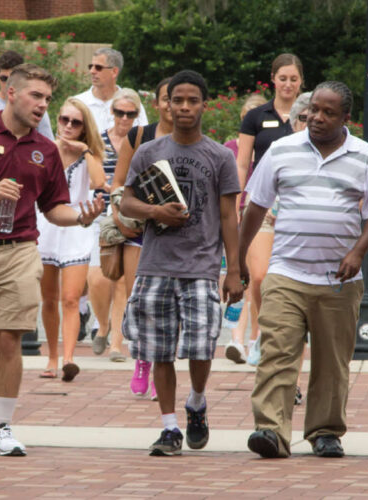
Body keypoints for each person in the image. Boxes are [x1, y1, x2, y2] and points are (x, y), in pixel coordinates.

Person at [0, 64, 104, 457]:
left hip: (21, 250)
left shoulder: (44, 150)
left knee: (9, 338)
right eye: (36, 96)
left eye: (47, 99)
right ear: (11, 93)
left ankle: (4, 426)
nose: (43, 105)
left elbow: (55, 209)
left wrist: (82, 215)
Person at [240, 82, 368, 460]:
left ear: (345, 118)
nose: (316, 117)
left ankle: (325, 431)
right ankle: (271, 430)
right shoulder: (282, 150)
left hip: (339, 281)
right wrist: (236, 260)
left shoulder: (365, 156)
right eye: (312, 110)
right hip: (286, 272)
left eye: (327, 112)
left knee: (332, 364)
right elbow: (255, 208)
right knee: (276, 353)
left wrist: (357, 252)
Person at [120, 70, 243, 456]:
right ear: (166, 105)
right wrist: (156, 210)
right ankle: (169, 427)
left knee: (202, 347)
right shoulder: (148, 152)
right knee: (158, 351)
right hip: (155, 265)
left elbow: (228, 216)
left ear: (205, 105)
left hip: (201, 267)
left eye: (193, 101)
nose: (185, 107)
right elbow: (126, 203)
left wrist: (234, 270)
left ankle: (197, 401)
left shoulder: (220, 156)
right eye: (178, 101)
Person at [232, 54, 304, 367]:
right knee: (259, 276)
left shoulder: (308, 114)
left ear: (301, 81)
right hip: (261, 201)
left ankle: (281, 340)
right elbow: (242, 161)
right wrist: (236, 201)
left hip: (297, 203)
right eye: (283, 78)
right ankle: (259, 333)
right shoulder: (256, 116)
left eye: (294, 79)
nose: (288, 84)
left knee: (288, 277)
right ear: (272, 79)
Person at [111, 77, 175, 398]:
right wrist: (120, 220)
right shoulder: (139, 136)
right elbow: (118, 183)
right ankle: (142, 360)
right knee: (140, 299)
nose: (172, 105)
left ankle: (159, 361)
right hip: (140, 231)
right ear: (158, 102)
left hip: (177, 235)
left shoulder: (193, 138)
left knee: (168, 305)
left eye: (178, 99)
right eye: (166, 98)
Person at [37, 98, 106, 381]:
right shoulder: (43, 149)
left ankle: (68, 358)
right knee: (49, 298)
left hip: (77, 226)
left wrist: (87, 151)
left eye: (75, 122)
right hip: (47, 224)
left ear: (84, 126)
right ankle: (52, 358)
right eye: (64, 119)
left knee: (71, 297)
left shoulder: (88, 153)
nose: (67, 126)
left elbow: (99, 180)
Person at [88, 88, 143, 361]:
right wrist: (110, 190)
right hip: (102, 212)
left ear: (137, 114)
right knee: (99, 279)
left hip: (130, 213)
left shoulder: (142, 141)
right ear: (112, 112)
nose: (124, 118)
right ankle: (103, 325)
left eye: (129, 113)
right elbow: (93, 177)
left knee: (123, 281)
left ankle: (117, 344)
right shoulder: (98, 140)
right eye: (119, 112)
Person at [222, 93, 266, 365]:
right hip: (239, 212)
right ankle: (236, 339)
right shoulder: (230, 147)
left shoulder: (267, 147)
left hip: (262, 213)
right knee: (241, 278)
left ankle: (255, 337)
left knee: (259, 280)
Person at [0, 50, 54, 139]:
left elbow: (47, 145)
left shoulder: (36, 110)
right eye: (4, 78)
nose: (8, 83)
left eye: (12, 79)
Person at [73, 47, 149, 132]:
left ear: (114, 72)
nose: (92, 71)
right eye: (91, 66)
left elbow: (144, 140)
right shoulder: (78, 103)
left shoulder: (133, 104)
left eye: (98, 67)